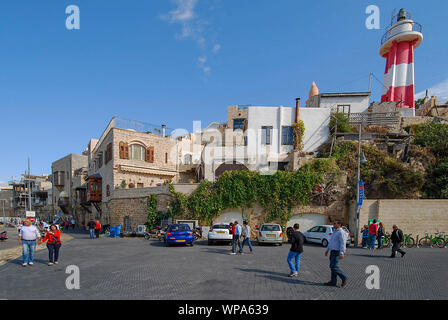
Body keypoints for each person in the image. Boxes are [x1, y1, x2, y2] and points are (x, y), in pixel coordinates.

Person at [324, 220, 348, 287]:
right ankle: (333, 281)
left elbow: (343, 243)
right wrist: (327, 250)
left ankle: (344, 277)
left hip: (337, 252)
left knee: (334, 267)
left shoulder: (341, 232)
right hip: (332, 251)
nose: (333, 224)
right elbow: (331, 242)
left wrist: (342, 252)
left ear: (339, 224)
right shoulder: (335, 231)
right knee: (332, 267)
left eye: (335, 223)